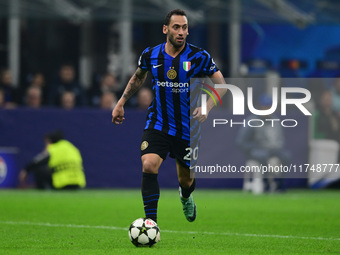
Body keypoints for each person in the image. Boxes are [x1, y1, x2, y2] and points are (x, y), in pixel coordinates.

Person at [112, 9, 225, 224]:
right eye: (176, 27)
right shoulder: (150, 54)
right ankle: (151, 223)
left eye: (184, 27)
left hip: (188, 128)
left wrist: (207, 106)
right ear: (166, 29)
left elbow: (223, 85)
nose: (181, 32)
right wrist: (121, 103)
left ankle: (185, 196)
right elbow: (138, 78)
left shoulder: (199, 56)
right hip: (158, 123)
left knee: (186, 180)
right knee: (149, 164)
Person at [237, 94, 290, 193]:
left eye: (269, 107)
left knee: (286, 156)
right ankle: (266, 182)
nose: (267, 109)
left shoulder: (276, 121)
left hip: (273, 150)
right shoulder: (251, 121)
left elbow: (280, 139)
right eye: (265, 107)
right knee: (263, 155)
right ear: (259, 107)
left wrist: (276, 147)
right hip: (256, 150)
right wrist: (256, 146)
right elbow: (241, 142)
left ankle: (279, 183)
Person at [19, 130, 86, 190]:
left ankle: (40, 192)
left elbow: (37, 161)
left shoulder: (53, 148)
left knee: (39, 170)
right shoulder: (73, 148)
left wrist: (26, 170)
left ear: (50, 141)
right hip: (77, 183)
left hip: (62, 184)